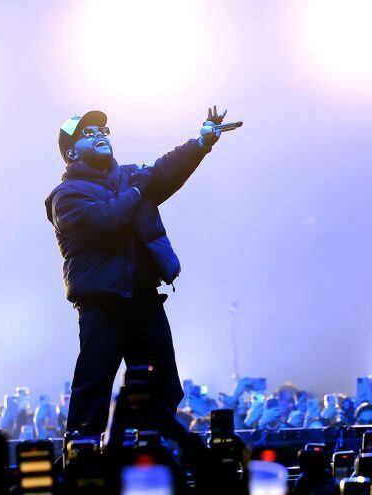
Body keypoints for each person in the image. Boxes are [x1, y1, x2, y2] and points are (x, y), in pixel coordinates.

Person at [45, 106, 232, 436]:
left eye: (103, 130)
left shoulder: (132, 176)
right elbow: (105, 221)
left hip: (145, 301)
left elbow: (166, 170)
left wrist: (201, 142)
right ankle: (83, 452)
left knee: (164, 386)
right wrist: (136, 190)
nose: (100, 135)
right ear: (71, 152)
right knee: (93, 389)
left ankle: (147, 443)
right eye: (88, 133)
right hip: (103, 308)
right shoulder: (65, 197)